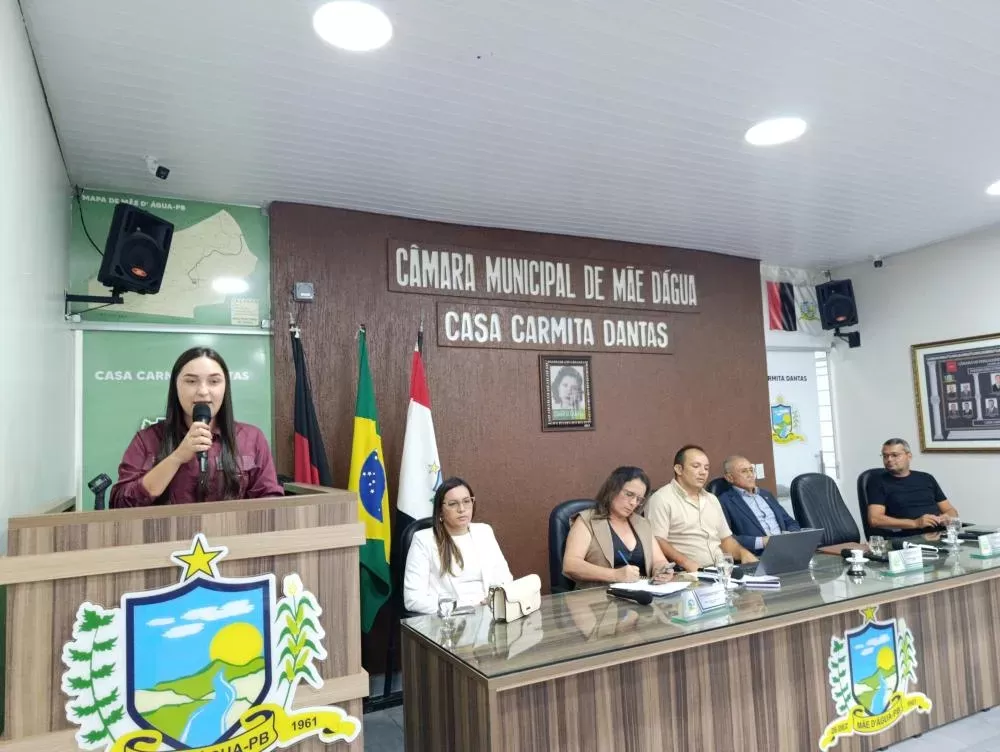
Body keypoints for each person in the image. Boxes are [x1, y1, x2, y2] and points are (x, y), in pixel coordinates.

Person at [110, 347, 282, 507]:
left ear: (225, 387)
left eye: (214, 381)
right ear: (176, 387)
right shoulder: (147, 439)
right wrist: (176, 457)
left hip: (232, 530)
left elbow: (270, 501)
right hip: (167, 530)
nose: (203, 391)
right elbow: (120, 504)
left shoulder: (251, 438)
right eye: (191, 381)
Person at [403, 477, 513, 615]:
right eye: (453, 504)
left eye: (466, 501)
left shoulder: (484, 531)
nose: (462, 509)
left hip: (490, 614)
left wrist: (494, 600)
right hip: (450, 621)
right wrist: (466, 607)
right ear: (440, 510)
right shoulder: (423, 540)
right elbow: (413, 599)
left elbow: (505, 580)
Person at [645, 445, 757, 571]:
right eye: (696, 466)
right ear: (679, 469)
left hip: (721, 570)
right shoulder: (661, 499)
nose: (703, 472)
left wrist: (743, 553)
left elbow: (725, 539)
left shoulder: (712, 499)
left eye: (706, 468)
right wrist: (685, 562)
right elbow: (657, 540)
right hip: (687, 573)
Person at [562, 466, 675, 588]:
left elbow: (659, 560)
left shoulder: (642, 524)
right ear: (612, 489)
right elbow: (571, 565)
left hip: (640, 594)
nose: (633, 503)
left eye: (639, 499)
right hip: (598, 596)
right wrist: (615, 575)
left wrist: (662, 571)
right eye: (629, 494)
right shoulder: (587, 520)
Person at [866, 438, 958, 531]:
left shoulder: (926, 478)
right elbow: (875, 519)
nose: (889, 459)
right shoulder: (877, 481)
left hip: (939, 532)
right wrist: (915, 523)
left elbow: (950, 510)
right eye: (885, 456)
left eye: (895, 455)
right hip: (907, 535)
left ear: (909, 456)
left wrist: (947, 518)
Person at [717, 455, 800, 554]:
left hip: (786, 548)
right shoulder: (724, 501)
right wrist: (761, 542)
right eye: (744, 471)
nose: (750, 475)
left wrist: (791, 535)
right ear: (729, 477)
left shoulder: (766, 494)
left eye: (751, 470)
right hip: (758, 554)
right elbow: (725, 538)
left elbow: (790, 522)